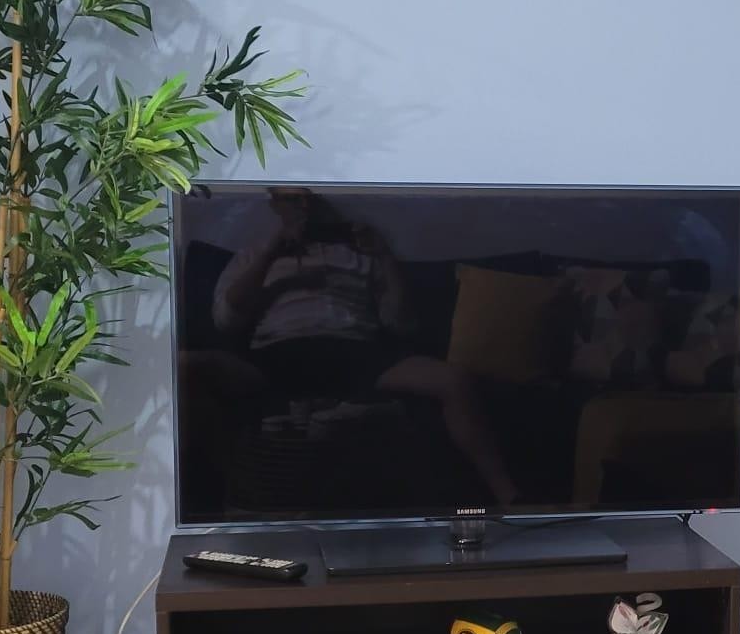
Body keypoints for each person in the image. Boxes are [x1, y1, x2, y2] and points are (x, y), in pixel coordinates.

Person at [210, 189, 518, 504]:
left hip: (354, 351)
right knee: (190, 367)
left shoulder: (360, 255)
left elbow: (401, 324)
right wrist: (273, 252)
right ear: (275, 206)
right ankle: (190, 512)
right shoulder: (254, 254)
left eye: (310, 199)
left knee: (453, 380)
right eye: (292, 199)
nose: (304, 207)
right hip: (278, 352)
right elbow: (226, 320)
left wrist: (383, 256)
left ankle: (509, 497)